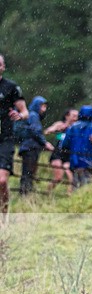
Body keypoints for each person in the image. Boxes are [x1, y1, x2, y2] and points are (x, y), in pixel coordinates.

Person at [0, 53, 29, 219]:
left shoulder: (11, 87)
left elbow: (25, 111)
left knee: (2, 181)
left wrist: (20, 116)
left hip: (5, 138)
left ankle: (3, 217)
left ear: (3, 67)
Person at [17, 95, 55, 195]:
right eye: (43, 106)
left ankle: (26, 192)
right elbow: (36, 131)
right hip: (30, 147)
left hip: (28, 147)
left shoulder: (31, 115)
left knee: (28, 172)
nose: (44, 109)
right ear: (37, 105)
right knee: (28, 172)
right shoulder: (33, 115)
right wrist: (45, 143)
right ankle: (26, 193)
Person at [62, 105, 92, 189]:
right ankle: (84, 199)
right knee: (87, 184)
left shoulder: (73, 127)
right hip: (88, 160)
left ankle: (74, 199)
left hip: (75, 160)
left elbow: (65, 144)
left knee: (75, 183)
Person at [46, 108, 78, 194]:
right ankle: (47, 192)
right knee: (58, 178)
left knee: (71, 176)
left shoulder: (76, 128)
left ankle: (69, 195)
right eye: (74, 116)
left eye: (77, 116)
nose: (76, 118)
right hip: (58, 153)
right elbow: (48, 131)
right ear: (67, 116)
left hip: (68, 154)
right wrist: (54, 130)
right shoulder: (60, 124)